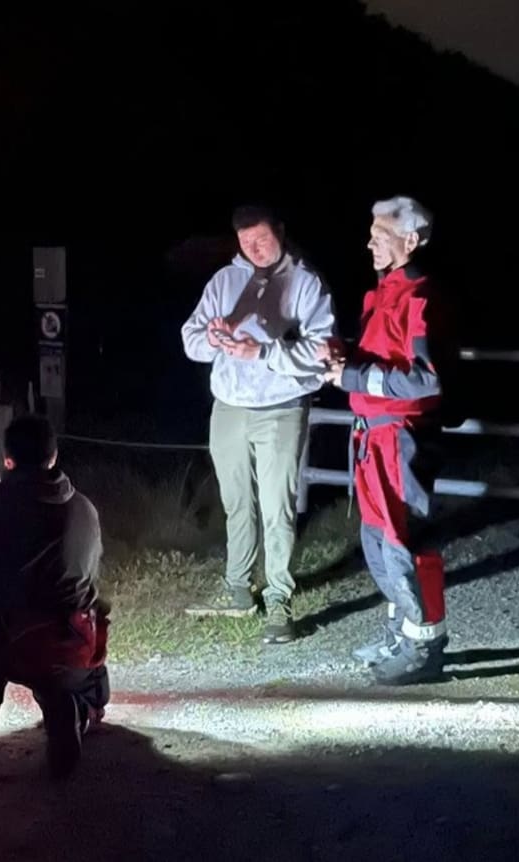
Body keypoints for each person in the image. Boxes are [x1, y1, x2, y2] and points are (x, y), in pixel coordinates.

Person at [180, 204, 336, 644]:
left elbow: (322, 352)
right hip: (228, 405)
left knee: (277, 504)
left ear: (281, 233)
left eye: (262, 239)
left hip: (281, 406)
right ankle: (238, 588)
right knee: (235, 500)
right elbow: (191, 339)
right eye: (246, 243)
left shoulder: (307, 283)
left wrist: (264, 352)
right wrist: (211, 339)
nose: (255, 249)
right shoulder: (224, 281)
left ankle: (279, 598)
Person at [324, 196, 454, 685]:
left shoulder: (421, 297)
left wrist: (353, 376)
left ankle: (425, 650)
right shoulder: (382, 294)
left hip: (401, 440)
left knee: (403, 541)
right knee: (378, 541)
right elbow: (382, 356)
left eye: (380, 234)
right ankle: (403, 635)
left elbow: (425, 381)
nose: (370, 242)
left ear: (410, 241)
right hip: (374, 439)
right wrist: (347, 354)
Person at [0, 413, 109, 779]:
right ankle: (68, 704)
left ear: (7, 460)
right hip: (65, 641)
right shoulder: (85, 509)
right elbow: (89, 581)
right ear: (53, 457)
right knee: (85, 625)